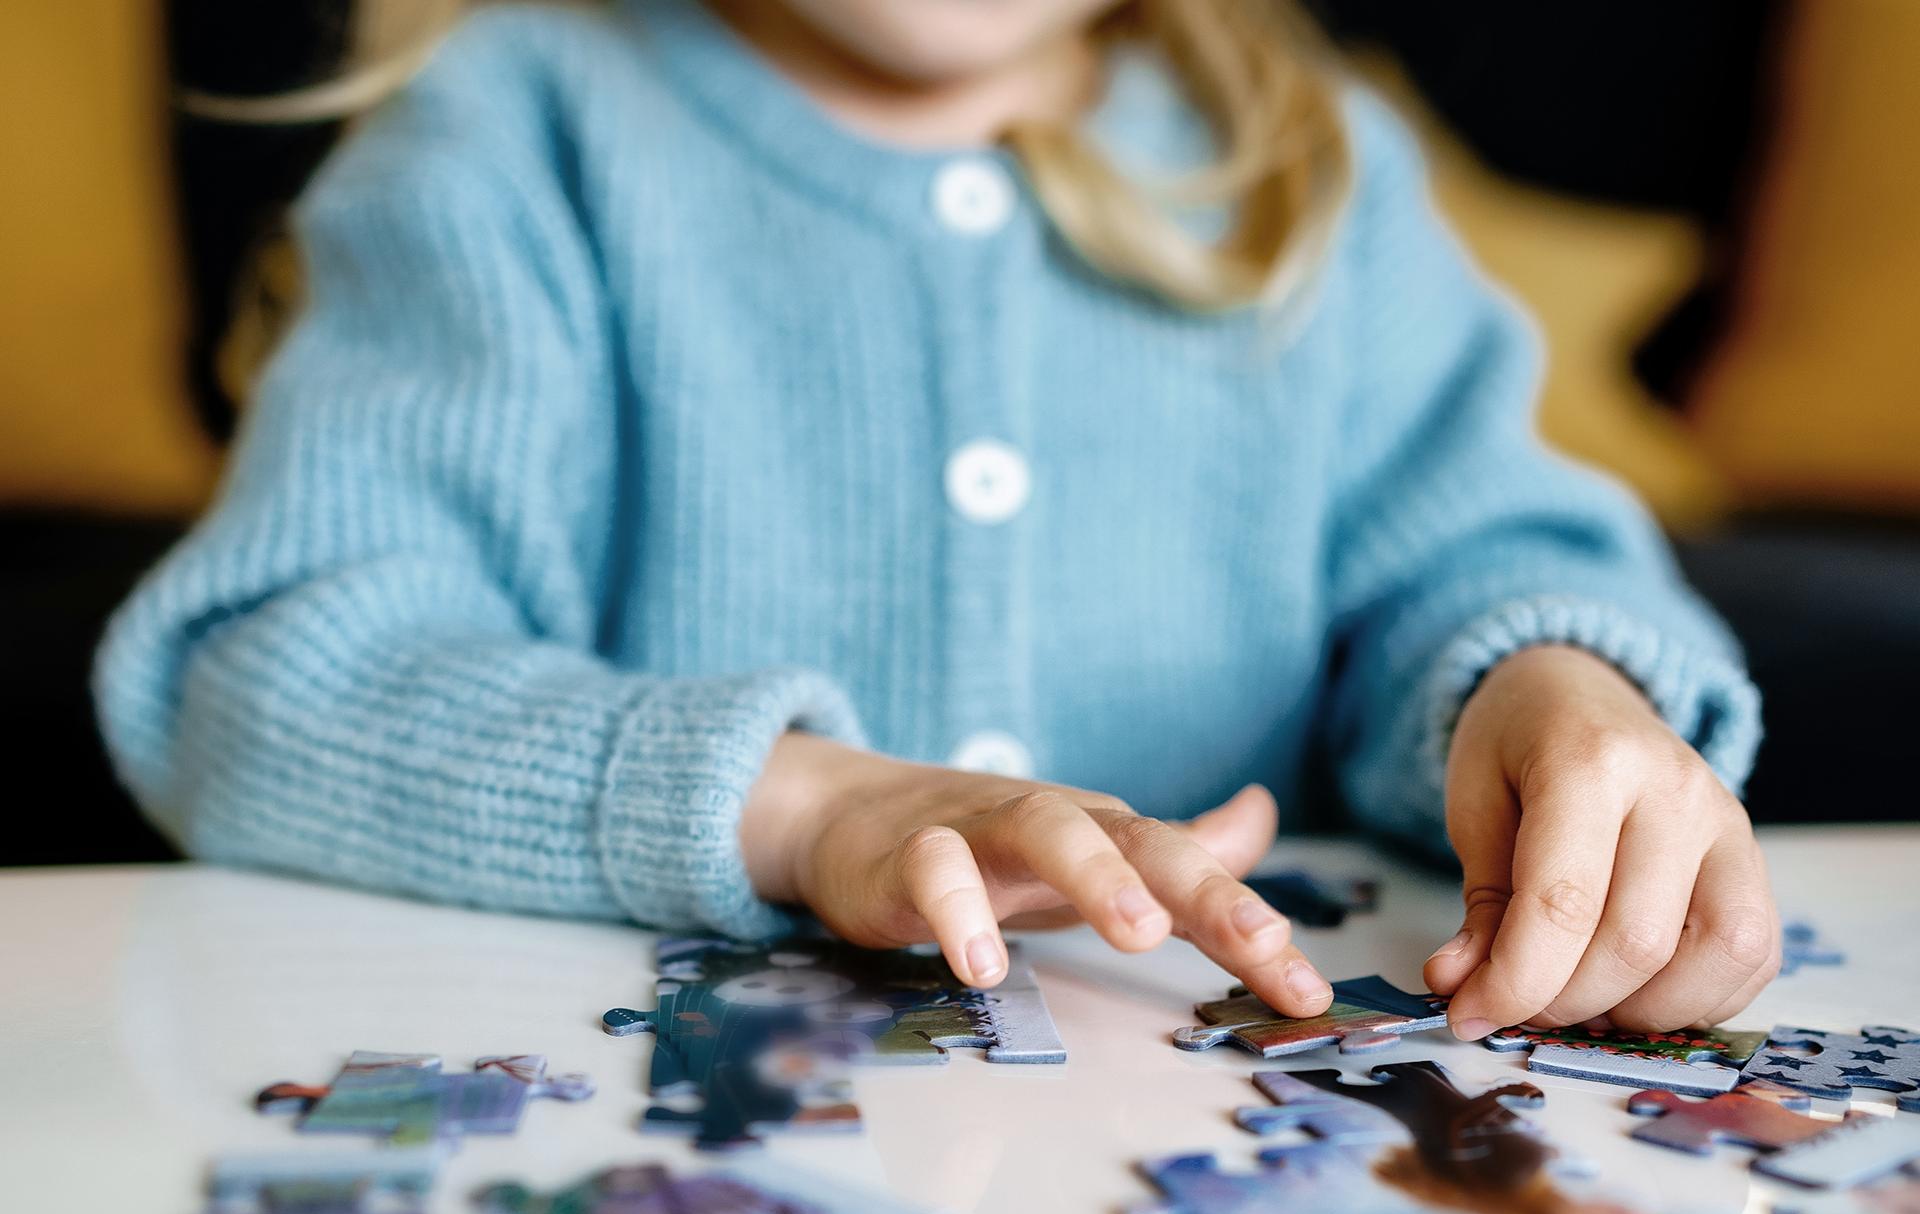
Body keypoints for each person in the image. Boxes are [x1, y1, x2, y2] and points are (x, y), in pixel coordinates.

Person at [96, 0, 1779, 1042]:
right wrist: (805, 806)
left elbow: (1475, 564)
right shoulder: (506, 133)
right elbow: (266, 679)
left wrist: (1554, 686)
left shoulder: (1315, 162)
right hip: (666, 1170)